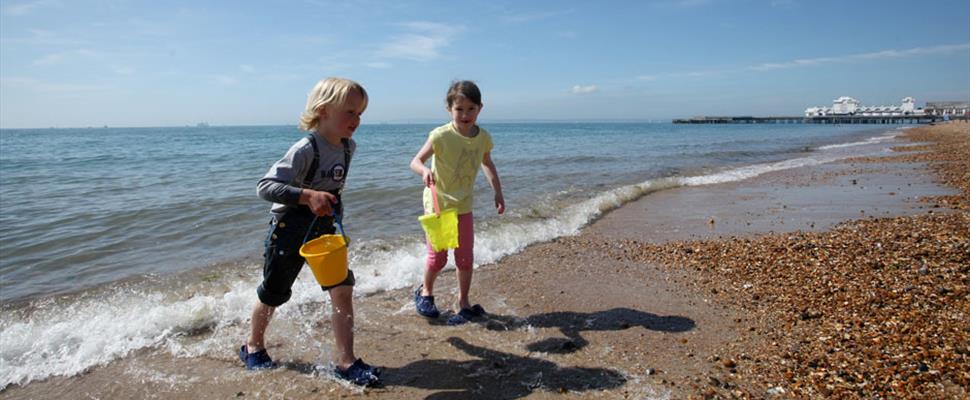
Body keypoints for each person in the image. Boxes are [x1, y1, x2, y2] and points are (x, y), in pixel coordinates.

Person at [239, 77, 380, 386]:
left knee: (342, 289)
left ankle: (346, 360)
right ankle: (253, 345)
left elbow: (334, 189)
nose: (356, 120)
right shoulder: (305, 148)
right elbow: (265, 187)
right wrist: (307, 195)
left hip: (325, 228)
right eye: (350, 112)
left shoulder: (347, 147)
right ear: (324, 110)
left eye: (360, 114)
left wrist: (335, 217)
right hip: (289, 228)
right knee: (274, 291)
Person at [409, 80, 505, 325]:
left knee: (465, 257)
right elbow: (416, 161)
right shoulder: (441, 135)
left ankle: (463, 301)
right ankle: (425, 292)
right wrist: (424, 172)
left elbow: (487, 164)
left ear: (480, 108)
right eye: (459, 109)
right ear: (449, 109)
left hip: (464, 205)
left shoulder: (483, 137)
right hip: (438, 204)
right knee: (438, 258)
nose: (465, 114)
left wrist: (498, 192)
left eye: (471, 109)